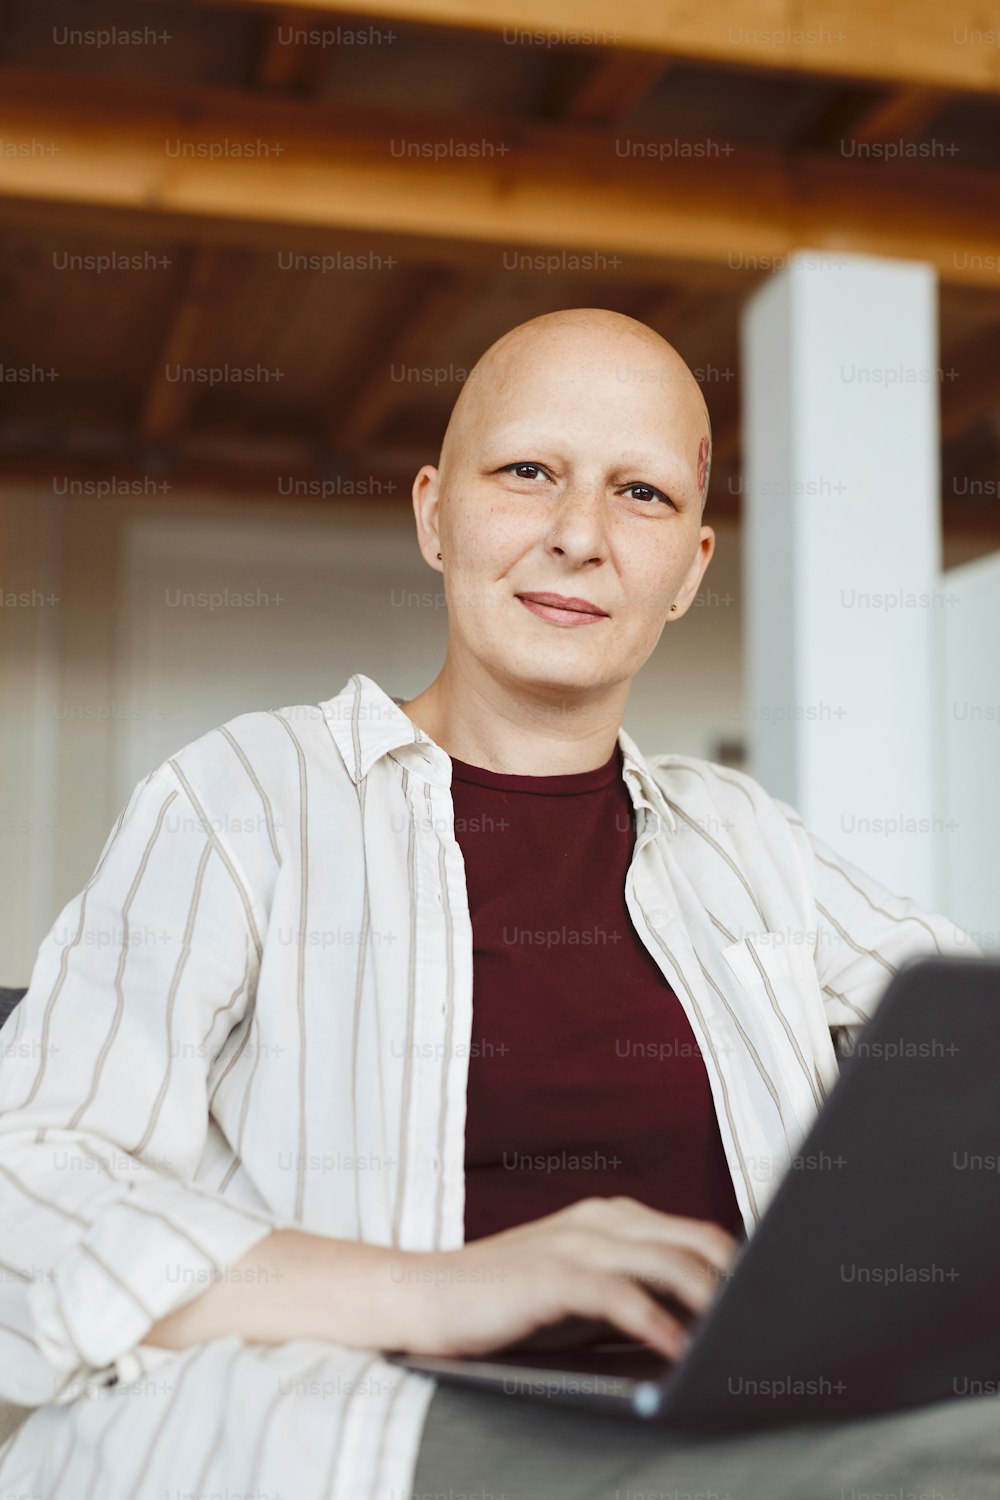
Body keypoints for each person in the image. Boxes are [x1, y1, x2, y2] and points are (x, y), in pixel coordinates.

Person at [0, 308, 993, 1500]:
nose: (580, 536)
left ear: (688, 570)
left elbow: (964, 1054)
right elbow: (29, 1182)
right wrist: (445, 1287)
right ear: (433, 513)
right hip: (367, 1423)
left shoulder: (745, 840)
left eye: (642, 494)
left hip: (739, 1433)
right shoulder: (243, 797)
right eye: (528, 472)